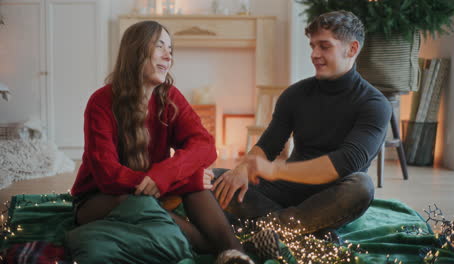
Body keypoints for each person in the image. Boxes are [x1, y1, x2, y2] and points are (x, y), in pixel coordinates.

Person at [70, 20, 256, 263]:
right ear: (136, 51)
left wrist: (169, 175)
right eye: (160, 47)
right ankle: (219, 249)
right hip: (98, 200)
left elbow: (204, 144)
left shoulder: (169, 97)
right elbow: (107, 175)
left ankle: (237, 253)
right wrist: (180, 180)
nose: (168, 56)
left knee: (196, 186)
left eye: (171, 49)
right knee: (140, 201)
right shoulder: (101, 102)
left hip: (152, 191)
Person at [210, 10, 392, 239]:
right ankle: (302, 232)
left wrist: (276, 170)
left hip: (331, 198)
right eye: (312, 46)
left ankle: (266, 228)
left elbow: (346, 162)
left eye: (324, 46)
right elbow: (268, 146)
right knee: (214, 179)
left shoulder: (375, 104)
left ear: (352, 49)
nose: (314, 54)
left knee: (362, 186)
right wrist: (242, 169)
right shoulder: (295, 94)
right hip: (286, 191)